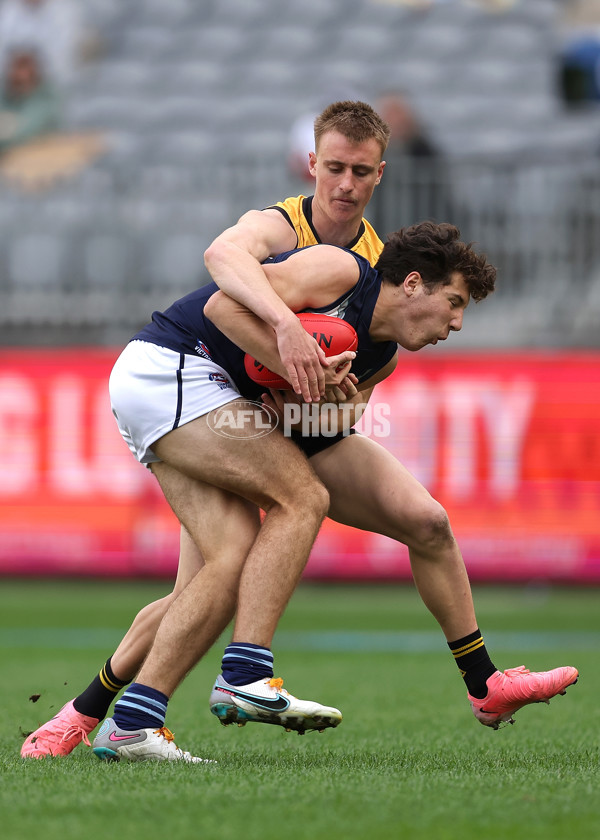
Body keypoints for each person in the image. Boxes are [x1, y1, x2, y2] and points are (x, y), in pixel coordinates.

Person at [22, 102, 578, 761]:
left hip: (244, 407)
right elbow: (222, 281)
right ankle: (245, 675)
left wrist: (331, 394)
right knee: (298, 502)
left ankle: (105, 718)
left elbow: (330, 418)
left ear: (379, 176)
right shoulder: (304, 242)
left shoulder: (382, 308)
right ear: (314, 166)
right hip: (184, 374)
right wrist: (289, 336)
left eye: (361, 171)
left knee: (402, 527)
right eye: (334, 168)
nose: (345, 183)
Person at [0, 46, 61, 153]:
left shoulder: (47, 98)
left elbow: (25, 130)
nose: (19, 74)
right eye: (15, 66)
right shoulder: (5, 93)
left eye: (24, 66)